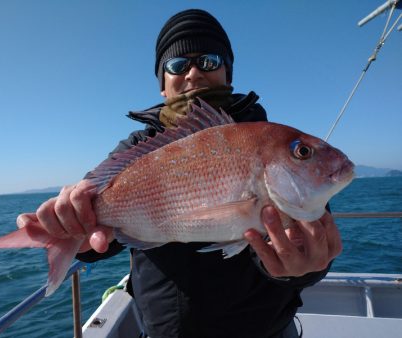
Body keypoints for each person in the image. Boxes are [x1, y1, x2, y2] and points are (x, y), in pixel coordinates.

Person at [17, 9, 342, 338]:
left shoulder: (268, 139)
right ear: (162, 84)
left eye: (209, 61)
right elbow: (99, 233)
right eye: (177, 65)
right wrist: (76, 229)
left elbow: (312, 240)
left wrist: (302, 268)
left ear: (228, 73)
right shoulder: (139, 146)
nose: (194, 73)